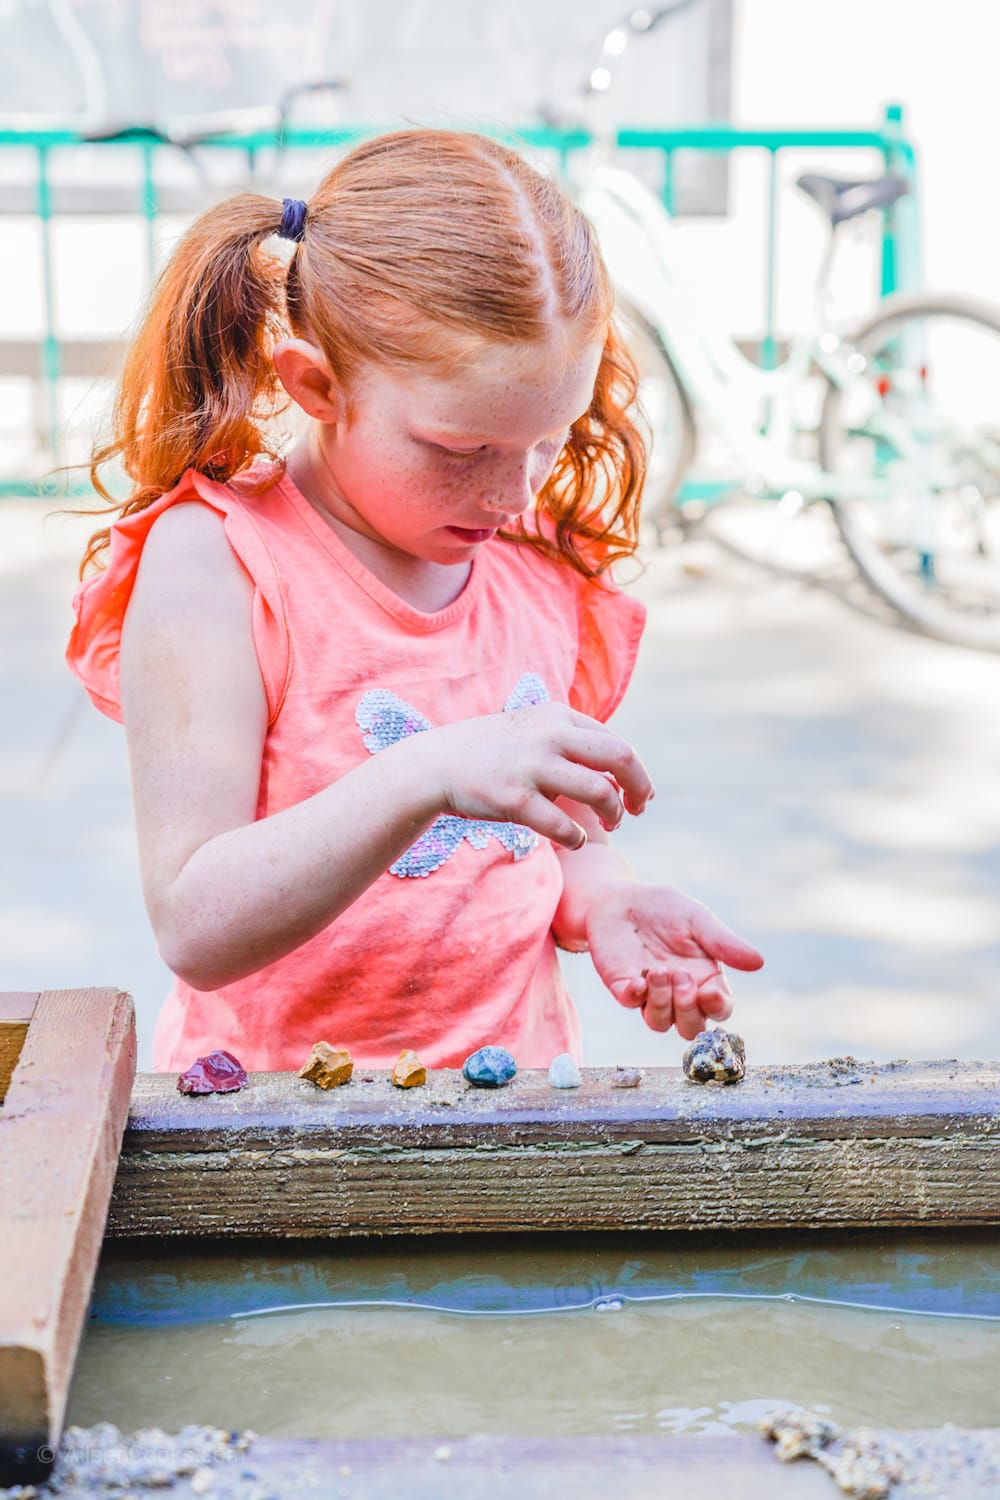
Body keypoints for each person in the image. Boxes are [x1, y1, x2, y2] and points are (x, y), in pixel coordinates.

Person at [66, 128, 763, 1073]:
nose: (516, 493)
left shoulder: (530, 560)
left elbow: (531, 843)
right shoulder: (220, 565)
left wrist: (605, 901)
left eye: (550, 439)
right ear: (315, 384)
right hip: (281, 1145)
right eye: (460, 448)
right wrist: (426, 770)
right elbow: (196, 922)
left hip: (512, 1126)